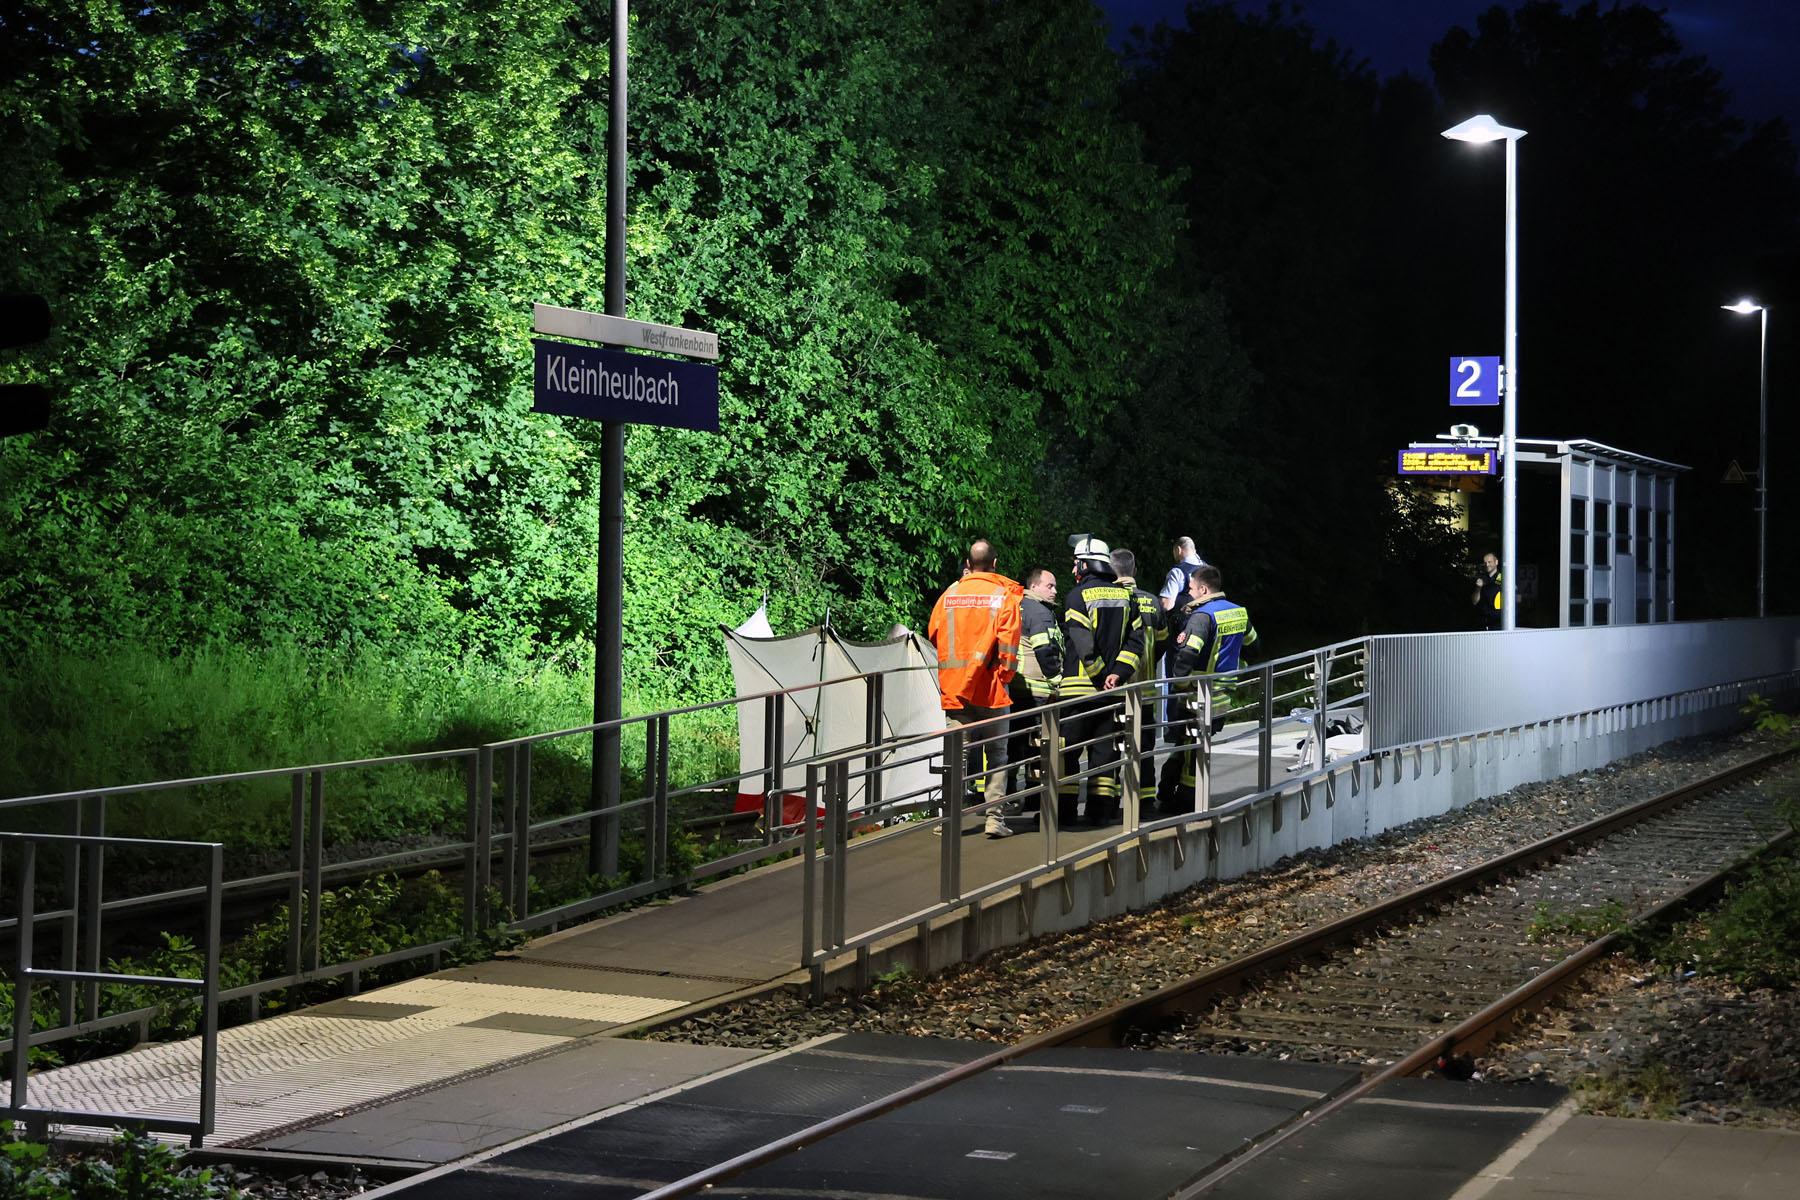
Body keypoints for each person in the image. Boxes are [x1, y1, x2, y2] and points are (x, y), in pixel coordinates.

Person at [928, 539, 1022, 838]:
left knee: (956, 756)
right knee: (997, 755)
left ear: (968, 564)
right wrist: (1004, 677)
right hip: (992, 692)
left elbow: (933, 634)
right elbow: (1009, 647)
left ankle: (949, 821)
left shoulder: (950, 594)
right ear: (994, 564)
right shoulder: (1003, 596)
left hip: (956, 690)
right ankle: (994, 820)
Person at [1057, 537, 1146, 827]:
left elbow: (1083, 645)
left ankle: (1065, 813)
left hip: (1078, 694)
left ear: (1086, 563)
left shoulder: (1076, 596)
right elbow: (1137, 642)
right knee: (1104, 754)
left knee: (1066, 754)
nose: (1073, 571)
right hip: (1114, 692)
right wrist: (1117, 674)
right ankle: (1101, 812)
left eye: (1075, 564)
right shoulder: (1127, 597)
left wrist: (1098, 676)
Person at [1159, 564, 1258, 815]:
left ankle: (1185, 801)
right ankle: (1170, 793)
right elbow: (1253, 645)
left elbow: (1188, 654)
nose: (1189, 593)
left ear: (1203, 589)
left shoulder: (1202, 617)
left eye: (1191, 588)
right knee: (1191, 747)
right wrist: (1240, 665)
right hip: (1222, 696)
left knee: (1189, 749)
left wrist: (1179, 684)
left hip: (1196, 695)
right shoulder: (1239, 612)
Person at [1003, 566, 1064, 814]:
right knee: (1037, 746)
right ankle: (1033, 798)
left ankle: (1006, 795)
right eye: (1050, 586)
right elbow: (1044, 650)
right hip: (1036, 691)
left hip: (1012, 688)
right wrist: (1058, 680)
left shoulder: (1014, 606)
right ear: (1034, 586)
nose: (1054, 591)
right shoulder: (1039, 612)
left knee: (1011, 746)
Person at [1111, 548, 1165, 804]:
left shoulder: (1109, 598)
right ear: (1134, 570)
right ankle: (1144, 801)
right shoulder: (1152, 601)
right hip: (1146, 689)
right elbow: (1163, 642)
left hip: (1114, 689)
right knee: (1144, 748)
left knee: (1109, 748)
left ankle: (1107, 803)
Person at [1473, 552, 1503, 630]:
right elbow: (1474, 602)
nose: (1487, 564)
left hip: (1498, 625)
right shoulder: (1480, 579)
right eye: (1485, 562)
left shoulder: (1504, 578)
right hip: (1481, 624)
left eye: (1489, 562)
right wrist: (1478, 588)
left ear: (1496, 562)